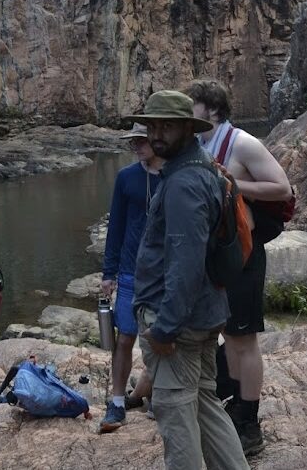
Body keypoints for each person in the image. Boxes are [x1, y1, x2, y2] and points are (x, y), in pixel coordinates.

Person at [126, 90, 249, 470]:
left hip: (179, 322)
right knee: (205, 403)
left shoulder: (183, 184)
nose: (157, 133)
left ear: (188, 128)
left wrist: (164, 327)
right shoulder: (202, 167)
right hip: (205, 313)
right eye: (153, 125)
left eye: (167, 125)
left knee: (175, 413)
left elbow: (186, 262)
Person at [186, 79, 293, 456]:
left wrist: (235, 183)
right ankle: (233, 405)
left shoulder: (243, 143)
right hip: (217, 257)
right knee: (227, 334)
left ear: (211, 109)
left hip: (245, 256)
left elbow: (283, 189)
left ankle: (249, 421)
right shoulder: (198, 144)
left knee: (243, 340)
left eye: (192, 104)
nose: (187, 112)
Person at [99, 122, 163, 433]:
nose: (136, 147)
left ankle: (158, 395)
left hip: (162, 274)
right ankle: (117, 401)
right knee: (125, 338)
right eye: (133, 142)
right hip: (129, 271)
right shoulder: (127, 177)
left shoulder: (174, 176)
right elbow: (116, 227)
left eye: (141, 141)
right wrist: (108, 273)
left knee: (160, 337)